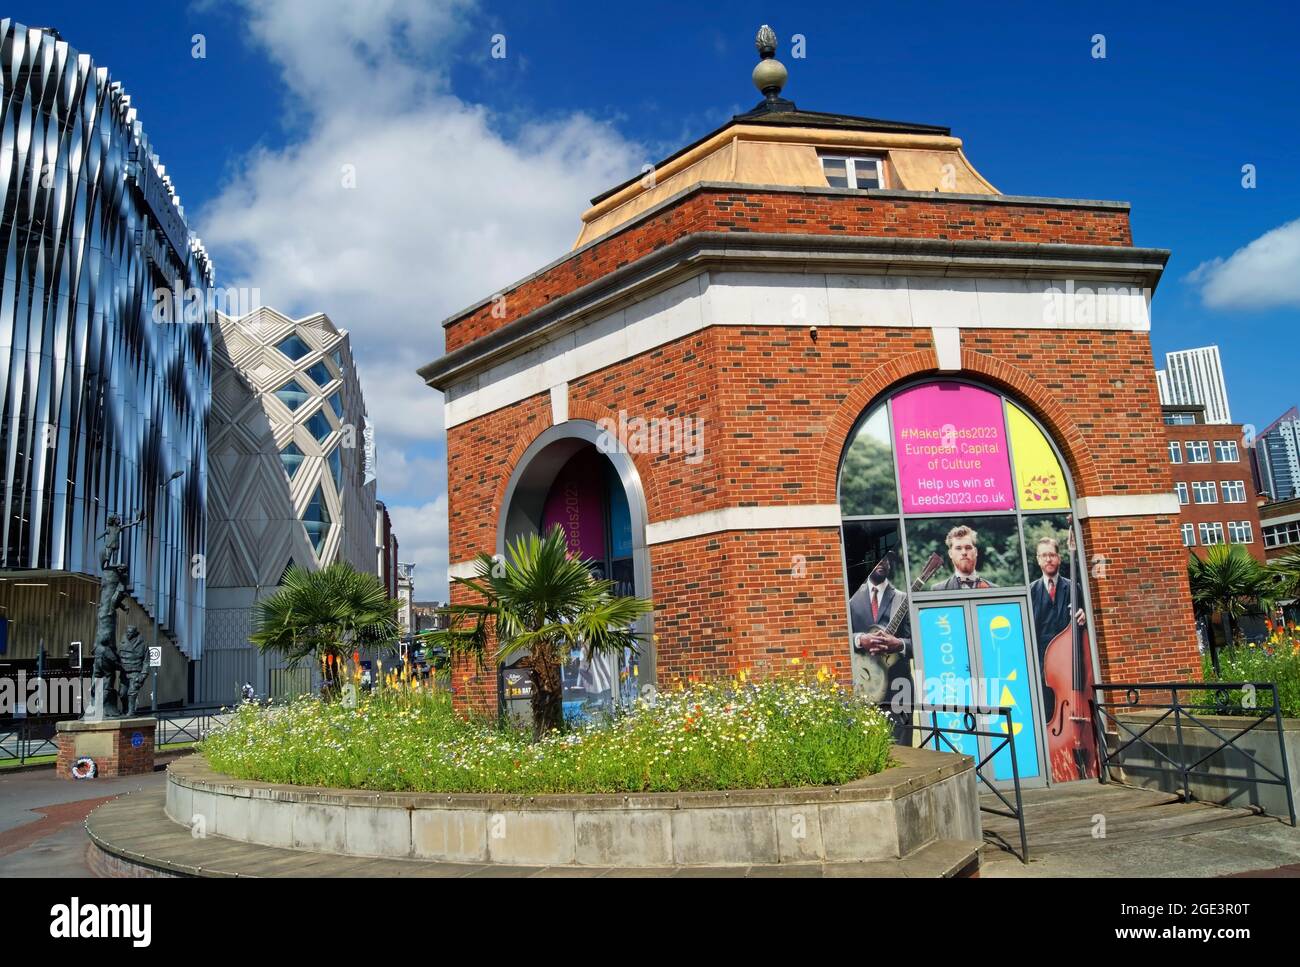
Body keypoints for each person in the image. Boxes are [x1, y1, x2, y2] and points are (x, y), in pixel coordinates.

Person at [847, 553, 913, 745]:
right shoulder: (850, 598)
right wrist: (860, 639)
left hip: (898, 686)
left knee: (902, 747)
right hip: (863, 682)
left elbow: (918, 641)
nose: (882, 562)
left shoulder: (903, 599)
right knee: (868, 746)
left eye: (886, 559)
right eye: (878, 558)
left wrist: (899, 644)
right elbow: (838, 635)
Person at [1028, 537, 1086, 721]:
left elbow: (1084, 623)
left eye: (1052, 554)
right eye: (1044, 555)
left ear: (1059, 558)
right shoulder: (1031, 591)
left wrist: (1083, 617)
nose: (1048, 559)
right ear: (1038, 559)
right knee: (1046, 710)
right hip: (1042, 664)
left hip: (1068, 660)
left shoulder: (1072, 587)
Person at [931, 525, 994, 590]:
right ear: (950, 554)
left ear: (975, 552)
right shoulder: (938, 589)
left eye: (968, 547)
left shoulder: (993, 589)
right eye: (958, 548)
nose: (964, 552)